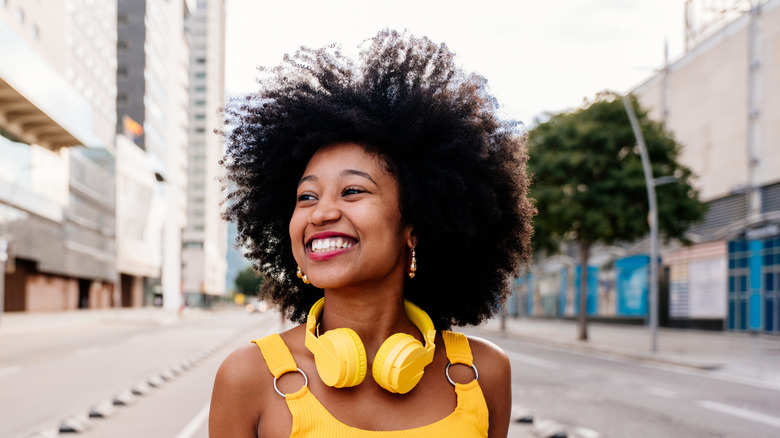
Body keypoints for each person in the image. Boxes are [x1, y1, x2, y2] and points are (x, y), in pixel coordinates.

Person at [210, 29, 534, 438]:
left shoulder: (483, 372)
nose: (322, 213)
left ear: (413, 227)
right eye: (306, 196)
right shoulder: (248, 376)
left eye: (352, 191)